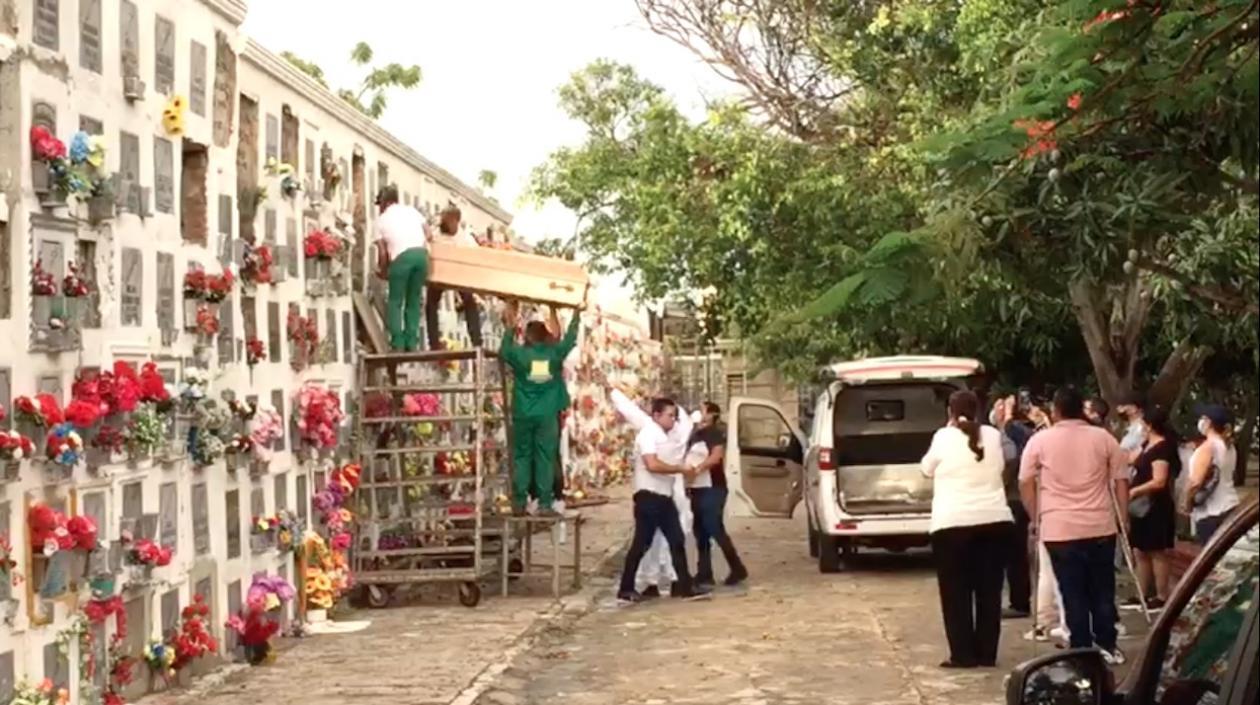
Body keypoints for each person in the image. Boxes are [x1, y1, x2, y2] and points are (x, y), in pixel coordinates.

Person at [1020, 387, 1130, 665]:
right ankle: (1107, 644)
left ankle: (1080, 649)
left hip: (1059, 528)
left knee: (1072, 592)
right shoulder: (1103, 438)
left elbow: (1025, 481)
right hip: (1100, 526)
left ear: (1056, 411)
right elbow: (1121, 479)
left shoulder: (1040, 440)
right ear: (1081, 409)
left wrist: (1036, 516)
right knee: (1103, 590)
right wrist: (1123, 518)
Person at [921, 390, 1014, 669]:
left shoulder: (943, 437)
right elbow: (1000, 467)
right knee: (989, 591)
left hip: (952, 523)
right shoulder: (993, 435)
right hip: (995, 520)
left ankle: (963, 654)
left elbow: (926, 468)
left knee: (955, 593)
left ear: (950, 411)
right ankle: (987, 653)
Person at [616, 397, 710, 603]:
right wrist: (679, 469)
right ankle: (626, 587)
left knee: (676, 540)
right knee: (642, 543)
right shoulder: (648, 434)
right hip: (648, 496)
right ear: (656, 415)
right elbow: (652, 464)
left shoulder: (666, 437)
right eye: (669, 416)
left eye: (675, 417)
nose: (673, 421)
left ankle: (684, 585)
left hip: (664, 496)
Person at [500, 300, 582, 516]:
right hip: (547, 415)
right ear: (546, 335)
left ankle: (519, 502)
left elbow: (505, 348)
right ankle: (545, 503)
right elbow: (570, 338)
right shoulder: (553, 354)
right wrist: (575, 312)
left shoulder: (519, 355)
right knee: (545, 457)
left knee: (522, 456)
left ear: (526, 336)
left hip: (523, 413)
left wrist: (511, 311)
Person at [1122, 406, 1179, 612]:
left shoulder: (1162, 448)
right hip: (1140, 508)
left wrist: (1136, 491)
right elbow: (1129, 458)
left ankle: (1161, 595)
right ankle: (1141, 593)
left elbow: (1159, 480)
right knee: (1140, 551)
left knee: (1157, 551)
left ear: (1151, 425)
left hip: (1155, 506)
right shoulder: (1147, 444)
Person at [689, 402, 748, 588]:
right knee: (700, 531)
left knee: (714, 527)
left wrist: (699, 468)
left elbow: (716, 456)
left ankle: (736, 567)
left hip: (713, 487)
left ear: (712, 414)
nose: (699, 413)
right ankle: (704, 572)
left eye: (703, 409)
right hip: (697, 488)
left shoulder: (714, 433)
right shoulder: (695, 434)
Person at [992, 395, 1034, 620]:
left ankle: (1019, 602)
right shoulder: (999, 433)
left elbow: (1008, 463)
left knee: (1014, 554)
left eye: (1001, 406)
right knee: (1013, 554)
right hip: (1010, 499)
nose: (997, 409)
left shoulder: (1010, 433)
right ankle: (1018, 599)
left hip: (1012, 500)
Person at [373, 185, 429, 351]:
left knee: (395, 301)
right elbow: (429, 232)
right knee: (413, 300)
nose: (379, 208)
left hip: (401, 258)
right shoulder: (412, 211)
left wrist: (383, 272)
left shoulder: (381, 221)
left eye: (380, 204)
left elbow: (383, 253)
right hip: (421, 256)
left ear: (386, 202)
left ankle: (397, 342)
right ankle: (412, 343)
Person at [424, 205, 484, 350]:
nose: (442, 223)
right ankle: (434, 343)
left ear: (455, 221)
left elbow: (477, 256)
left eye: (445, 221)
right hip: (440, 273)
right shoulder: (435, 234)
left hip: (458, 274)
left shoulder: (466, 239)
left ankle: (476, 341)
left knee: (469, 301)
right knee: (431, 304)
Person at [1182, 404, 1240, 546]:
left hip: (1212, 512)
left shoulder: (1208, 448)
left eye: (1203, 418)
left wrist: (1186, 502)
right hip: (1230, 505)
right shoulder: (1229, 446)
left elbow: (1195, 482)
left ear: (1208, 423)